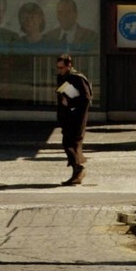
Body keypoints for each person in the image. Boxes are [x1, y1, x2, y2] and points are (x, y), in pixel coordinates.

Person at [55, 52, 92, 185]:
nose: (60, 70)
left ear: (69, 65)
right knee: (70, 144)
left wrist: (70, 103)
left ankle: (78, 170)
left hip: (76, 117)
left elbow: (86, 98)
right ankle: (77, 170)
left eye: (62, 68)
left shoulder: (77, 78)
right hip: (66, 117)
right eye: (58, 68)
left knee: (70, 144)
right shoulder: (62, 77)